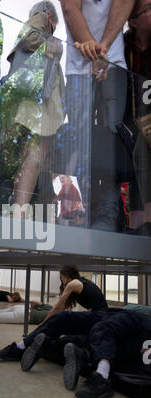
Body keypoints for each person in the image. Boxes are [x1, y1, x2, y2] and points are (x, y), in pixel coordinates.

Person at [60, 0, 136, 230]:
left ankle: (108, 213)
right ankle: (76, 213)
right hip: (79, 68)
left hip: (113, 65)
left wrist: (102, 47)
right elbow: (69, 7)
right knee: (78, 142)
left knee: (110, 142)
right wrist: (96, 50)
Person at [3, 1, 65, 212]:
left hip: (32, 105)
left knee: (28, 159)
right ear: (51, 18)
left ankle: (15, 212)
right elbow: (29, 37)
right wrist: (54, 47)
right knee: (32, 158)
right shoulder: (42, 18)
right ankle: (18, 214)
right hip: (34, 106)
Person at [0, 265, 109, 365]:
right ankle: (29, 346)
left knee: (59, 318)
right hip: (99, 317)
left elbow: (58, 307)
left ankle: (20, 347)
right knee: (59, 321)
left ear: (65, 275)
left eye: (61, 277)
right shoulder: (79, 284)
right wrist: (49, 322)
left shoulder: (73, 283)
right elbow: (60, 308)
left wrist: (44, 322)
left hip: (98, 316)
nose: (61, 280)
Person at [61, 306, 151, 398]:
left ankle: (102, 376)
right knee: (90, 338)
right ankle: (54, 345)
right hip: (118, 314)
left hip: (132, 316)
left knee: (103, 329)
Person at [123, 0, 151, 236]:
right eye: (148, 9)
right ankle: (136, 224)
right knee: (132, 166)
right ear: (132, 21)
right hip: (131, 118)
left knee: (143, 152)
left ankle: (148, 221)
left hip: (149, 118)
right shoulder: (123, 46)